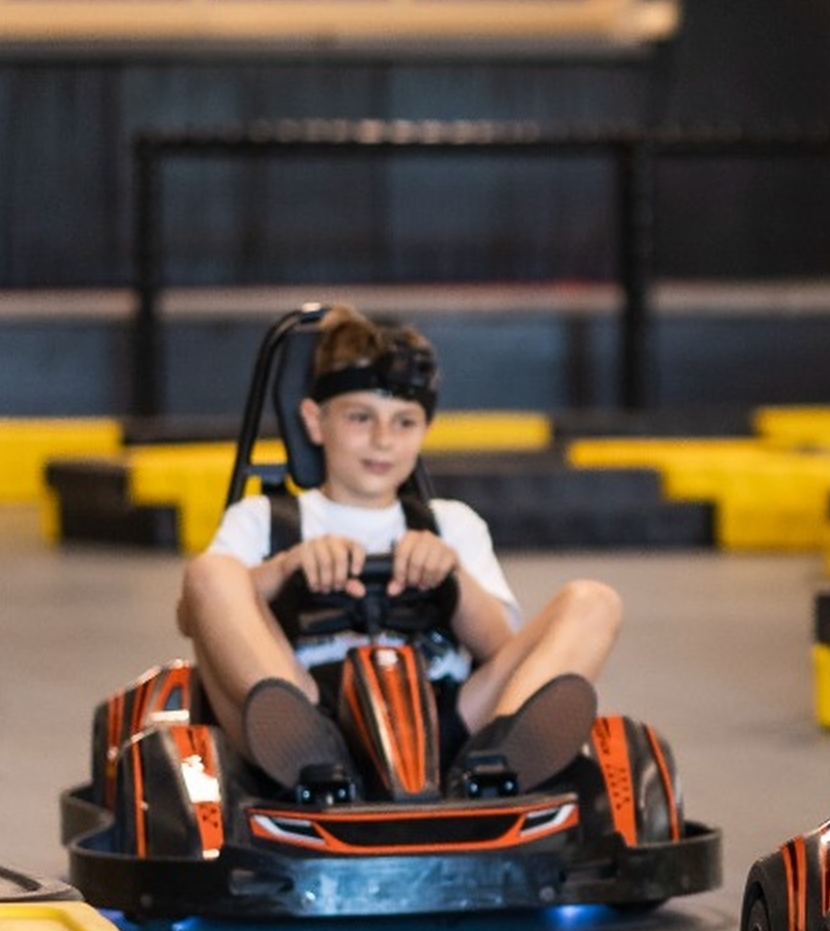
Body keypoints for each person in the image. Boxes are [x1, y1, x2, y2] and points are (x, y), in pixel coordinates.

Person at [176, 306, 621, 795]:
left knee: (594, 600)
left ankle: (499, 761)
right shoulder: (263, 521)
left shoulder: (451, 523)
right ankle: (312, 757)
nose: (383, 439)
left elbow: (500, 646)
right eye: (360, 417)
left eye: (404, 422)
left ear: (424, 430)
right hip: (313, 708)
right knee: (211, 571)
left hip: (448, 721)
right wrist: (285, 569)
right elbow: (193, 615)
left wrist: (452, 578)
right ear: (315, 421)